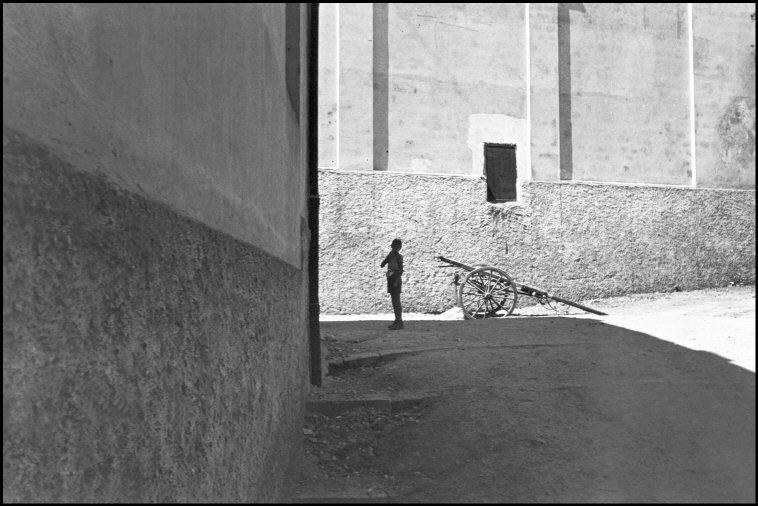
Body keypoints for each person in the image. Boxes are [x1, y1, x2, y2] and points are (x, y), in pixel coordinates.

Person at [380, 238, 404, 329]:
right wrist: (385, 262)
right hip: (391, 278)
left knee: (396, 301)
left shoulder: (399, 257)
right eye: (393, 246)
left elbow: (400, 270)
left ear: (399, 248)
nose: (393, 248)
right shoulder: (390, 255)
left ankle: (399, 322)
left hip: (395, 279)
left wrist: (396, 281)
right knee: (394, 301)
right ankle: (397, 320)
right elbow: (384, 263)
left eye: (395, 247)